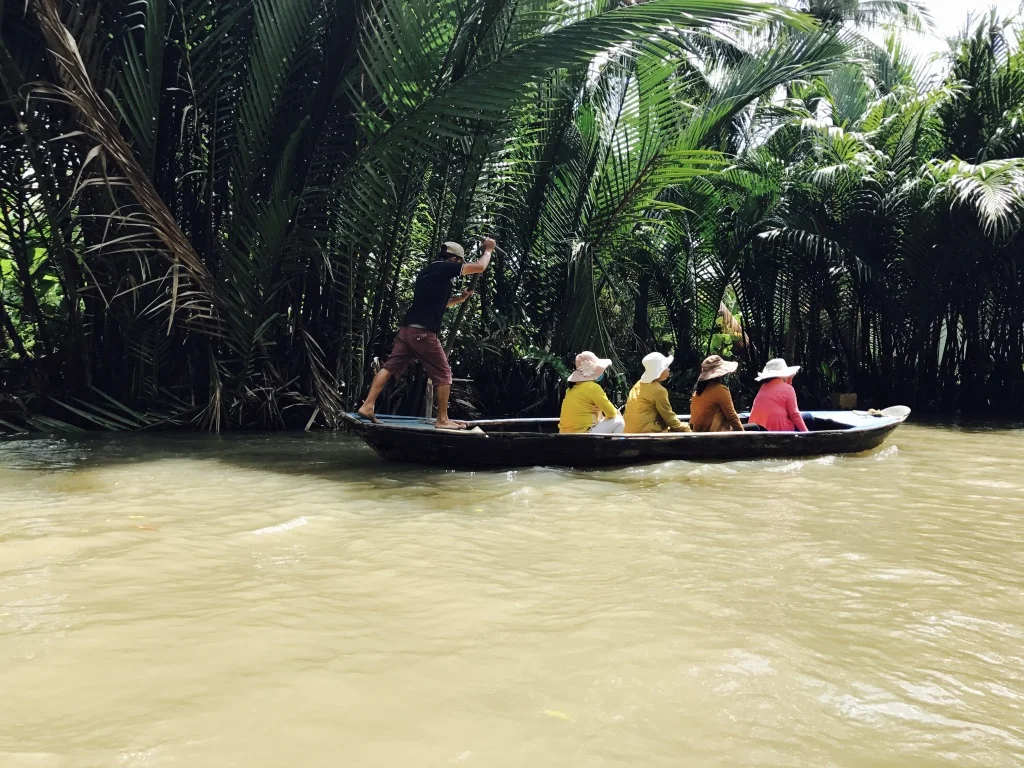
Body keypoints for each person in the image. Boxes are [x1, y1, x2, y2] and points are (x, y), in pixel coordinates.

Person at [357, 238, 496, 430]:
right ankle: (443, 420)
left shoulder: (428, 273)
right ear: (455, 260)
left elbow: (441, 304)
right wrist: (488, 250)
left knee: (390, 366)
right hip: (423, 332)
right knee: (444, 373)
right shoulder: (444, 268)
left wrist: (461, 298)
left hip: (407, 330)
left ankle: (367, 405)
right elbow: (480, 267)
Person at [558, 351, 624, 434]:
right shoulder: (593, 387)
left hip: (564, 435)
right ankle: (612, 447)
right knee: (619, 421)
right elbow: (612, 413)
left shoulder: (571, 389)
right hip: (583, 435)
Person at [624, 352, 690, 433]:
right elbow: (669, 418)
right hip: (645, 434)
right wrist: (686, 428)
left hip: (629, 432)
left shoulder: (638, 384)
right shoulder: (659, 390)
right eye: (666, 367)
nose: (669, 369)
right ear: (659, 371)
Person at [748, 358, 809, 432]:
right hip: (779, 431)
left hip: (759, 429)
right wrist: (806, 433)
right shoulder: (788, 389)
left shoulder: (763, 387)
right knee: (808, 417)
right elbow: (794, 414)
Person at [689, 354, 744, 433]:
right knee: (755, 427)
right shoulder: (720, 389)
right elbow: (731, 417)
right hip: (712, 435)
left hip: (699, 433)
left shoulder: (698, 391)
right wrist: (744, 434)